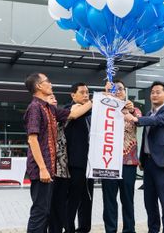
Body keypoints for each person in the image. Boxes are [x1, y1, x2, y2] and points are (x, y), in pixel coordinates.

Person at [23, 73, 91, 233]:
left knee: (46, 211)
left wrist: (99, 100)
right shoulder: (35, 108)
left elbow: (73, 114)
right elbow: (32, 140)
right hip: (42, 169)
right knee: (40, 211)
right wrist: (43, 168)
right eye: (47, 81)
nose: (51, 84)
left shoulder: (49, 108)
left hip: (49, 169)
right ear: (39, 86)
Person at [124, 81, 164, 233]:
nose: (154, 94)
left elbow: (156, 121)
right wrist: (141, 157)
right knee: (149, 201)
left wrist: (135, 119)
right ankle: (153, 230)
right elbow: (146, 139)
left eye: (158, 92)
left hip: (163, 163)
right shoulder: (148, 114)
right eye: (152, 92)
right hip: (148, 163)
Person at [101, 80, 141, 233]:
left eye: (120, 89)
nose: (117, 91)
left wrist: (127, 110)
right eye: (113, 89)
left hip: (128, 162)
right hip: (108, 162)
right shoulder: (104, 110)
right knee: (109, 200)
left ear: (125, 91)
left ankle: (129, 230)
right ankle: (110, 230)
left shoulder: (133, 109)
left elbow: (139, 121)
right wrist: (105, 98)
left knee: (127, 200)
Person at [64, 82, 94, 233]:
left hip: (90, 163)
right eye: (82, 92)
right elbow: (74, 114)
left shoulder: (90, 111)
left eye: (87, 92)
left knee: (87, 198)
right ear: (73, 95)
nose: (85, 95)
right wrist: (94, 101)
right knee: (73, 198)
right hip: (74, 162)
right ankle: (68, 228)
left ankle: (84, 228)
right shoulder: (67, 109)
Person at [47, 94, 70, 233]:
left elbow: (73, 112)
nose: (54, 99)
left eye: (55, 98)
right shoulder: (42, 117)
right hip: (48, 169)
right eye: (50, 98)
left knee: (60, 204)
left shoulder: (60, 116)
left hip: (62, 168)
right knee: (48, 206)